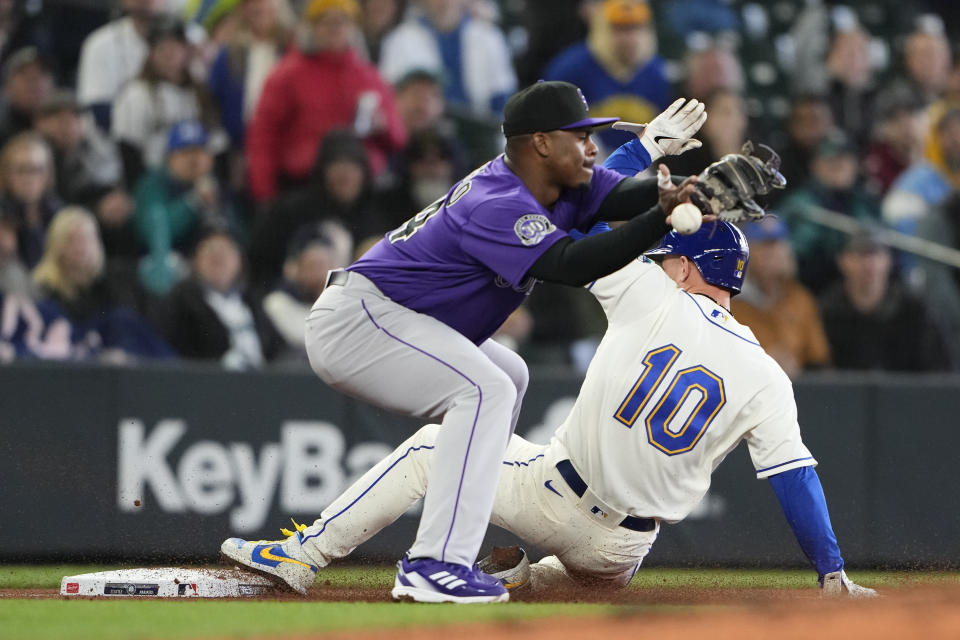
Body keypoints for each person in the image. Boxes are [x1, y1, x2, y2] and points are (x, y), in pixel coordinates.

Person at [220, 81, 709, 604]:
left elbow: (621, 193)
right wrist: (663, 213)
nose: (592, 148)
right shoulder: (496, 200)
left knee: (510, 378)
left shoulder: (555, 185)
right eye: (580, 136)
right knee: (485, 391)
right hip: (360, 320)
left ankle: (358, 549)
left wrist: (693, 186)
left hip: (407, 318)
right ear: (541, 143)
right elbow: (572, 265)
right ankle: (435, 565)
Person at [219, 218, 876, 599]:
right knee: (581, 572)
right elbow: (795, 480)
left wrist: (648, 185)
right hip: (625, 547)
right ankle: (525, 577)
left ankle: (304, 553)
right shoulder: (766, 373)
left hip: (556, 495)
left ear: (682, 268)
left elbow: (576, 230)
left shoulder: (652, 290)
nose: (659, 262)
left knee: (428, 451)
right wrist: (832, 572)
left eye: (667, 257)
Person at [246, 0, 406, 202]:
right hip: (303, 189)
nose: (335, 29)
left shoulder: (368, 77)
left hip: (362, 192)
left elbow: (398, 138)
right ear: (312, 28)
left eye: (342, 21)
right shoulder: (286, 76)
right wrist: (264, 193)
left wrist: (382, 126)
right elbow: (263, 136)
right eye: (326, 22)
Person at [543, 0, 669, 152]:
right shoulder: (569, 69)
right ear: (601, 29)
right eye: (619, 29)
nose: (630, 39)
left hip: (640, 163)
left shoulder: (657, 71)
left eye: (637, 28)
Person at [819, 231, 950, 371]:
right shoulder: (826, 310)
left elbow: (940, 370)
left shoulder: (913, 310)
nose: (869, 265)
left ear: (888, 261)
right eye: (860, 255)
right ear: (843, 261)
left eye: (876, 255)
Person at [731, 216, 830, 378]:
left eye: (776, 245)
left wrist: (796, 366)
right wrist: (763, 363)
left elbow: (819, 358)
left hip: (797, 391)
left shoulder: (800, 299)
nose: (771, 254)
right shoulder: (729, 301)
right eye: (762, 246)